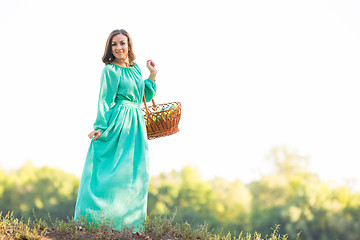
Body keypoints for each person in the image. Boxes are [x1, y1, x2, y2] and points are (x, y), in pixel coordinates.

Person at [74, 29, 157, 232]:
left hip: (136, 125)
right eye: (114, 44)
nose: (118, 47)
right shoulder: (110, 70)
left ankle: (130, 225)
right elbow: (105, 100)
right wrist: (100, 128)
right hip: (119, 121)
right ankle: (95, 220)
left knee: (135, 174)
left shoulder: (136, 68)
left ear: (129, 45)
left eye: (122, 43)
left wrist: (152, 75)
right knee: (111, 173)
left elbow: (144, 95)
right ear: (110, 48)